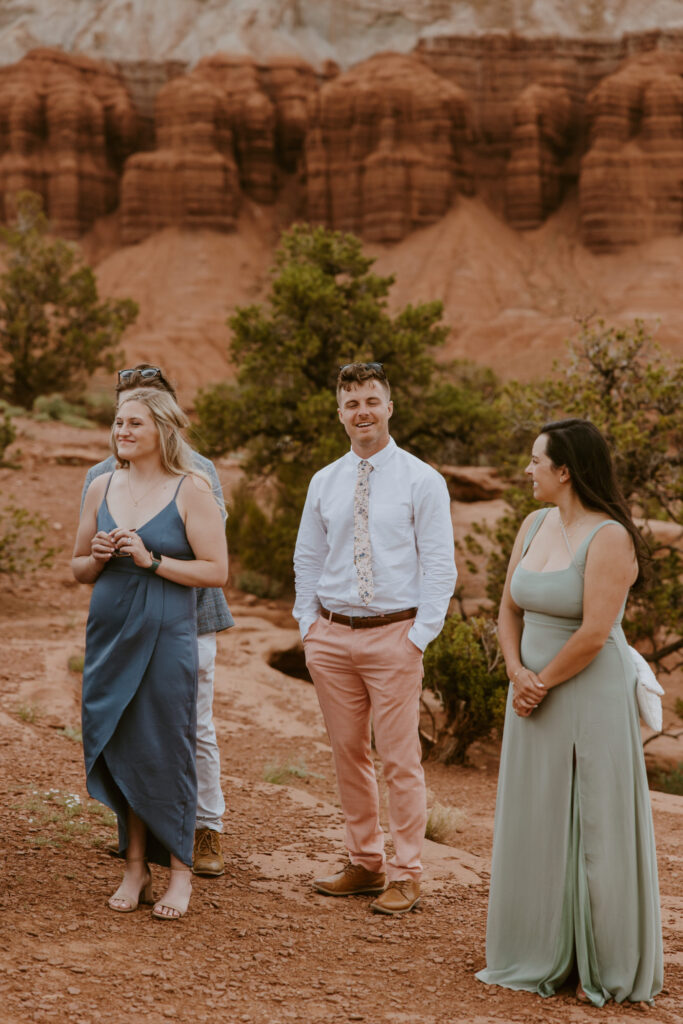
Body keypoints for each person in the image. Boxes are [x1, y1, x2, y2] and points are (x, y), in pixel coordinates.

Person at [476, 419, 663, 1005]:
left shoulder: (609, 537)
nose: (526, 471)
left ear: (565, 470)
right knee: (538, 815)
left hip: (585, 693)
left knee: (594, 823)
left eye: (535, 461)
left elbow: (593, 633)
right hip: (529, 690)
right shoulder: (533, 524)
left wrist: (540, 683)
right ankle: (538, 948)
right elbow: (507, 607)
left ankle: (601, 962)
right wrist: (515, 672)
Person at [293, 362, 457, 915]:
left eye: (371, 401)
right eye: (351, 403)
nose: (361, 411)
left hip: (395, 636)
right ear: (339, 413)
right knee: (347, 755)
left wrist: (420, 637)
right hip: (332, 638)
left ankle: (408, 871)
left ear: (389, 406)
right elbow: (308, 558)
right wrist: (307, 625)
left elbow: (439, 564)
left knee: (400, 759)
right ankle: (365, 862)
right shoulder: (324, 481)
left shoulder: (422, 479)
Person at [73, 388, 229, 919]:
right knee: (121, 741)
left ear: (162, 429)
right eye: (118, 422)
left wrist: (151, 558)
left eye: (134, 423)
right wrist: (94, 556)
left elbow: (216, 571)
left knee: (168, 744)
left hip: (168, 632)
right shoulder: (100, 486)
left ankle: (180, 871)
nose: (123, 431)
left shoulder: (192, 489)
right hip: (110, 631)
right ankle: (135, 866)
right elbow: (76, 568)